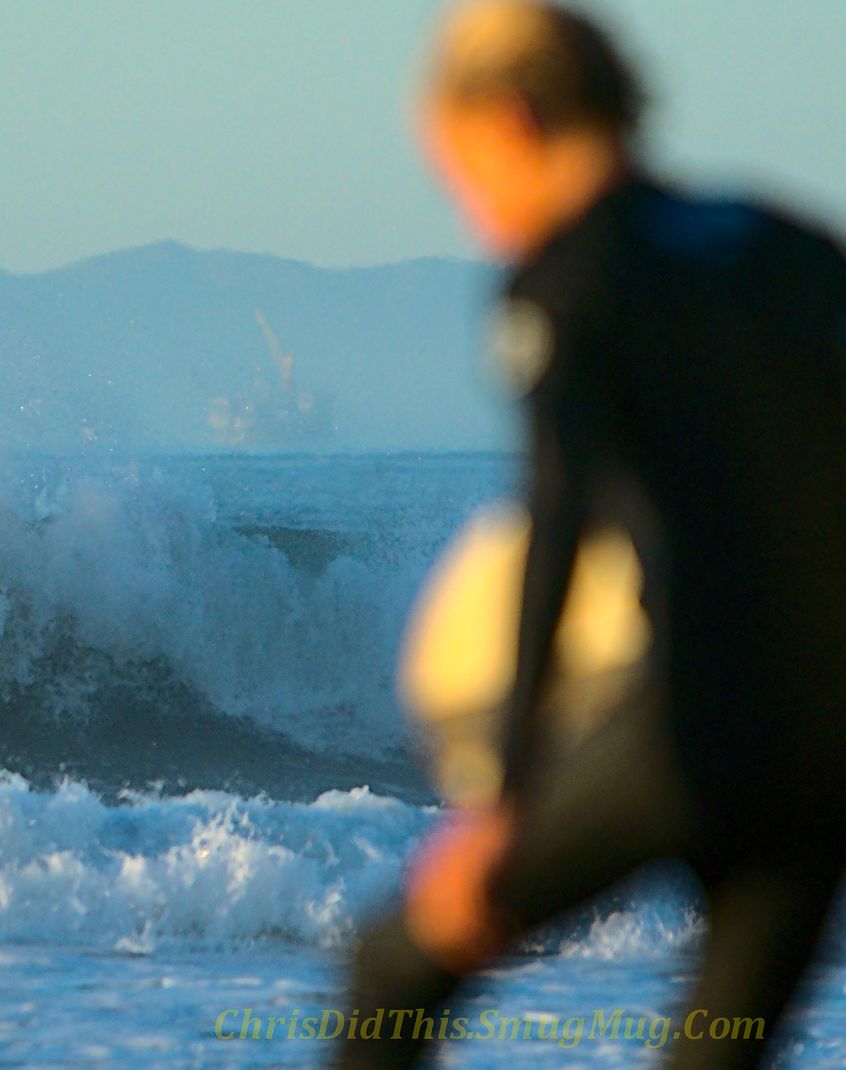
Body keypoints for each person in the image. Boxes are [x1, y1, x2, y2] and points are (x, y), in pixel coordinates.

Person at [338, 3, 846, 1068]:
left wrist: (505, 800)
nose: (467, 206)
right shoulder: (790, 248)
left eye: (457, 168)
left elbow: (559, 516)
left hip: (690, 731)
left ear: (512, 119)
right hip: (824, 759)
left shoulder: (572, 279)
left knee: (388, 974)